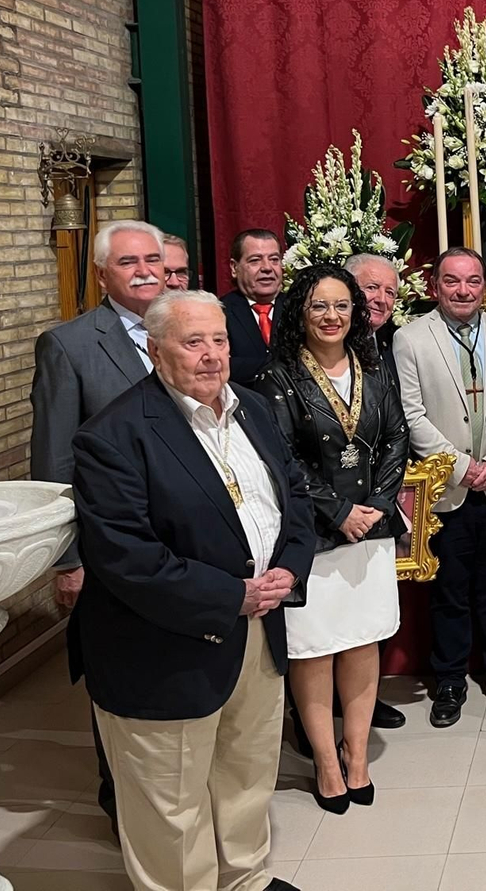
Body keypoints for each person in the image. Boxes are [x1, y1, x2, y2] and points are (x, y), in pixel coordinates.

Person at [71, 290, 314, 891]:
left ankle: (244, 880)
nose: (211, 356)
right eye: (193, 342)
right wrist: (232, 595)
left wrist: (290, 566)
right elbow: (126, 557)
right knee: (171, 805)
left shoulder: (254, 409)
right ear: (155, 351)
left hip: (258, 631)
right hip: (165, 649)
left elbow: (295, 498)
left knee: (245, 773)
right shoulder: (113, 435)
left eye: (220, 340)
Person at [252, 265, 409, 814]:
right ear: (301, 310)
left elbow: (396, 438)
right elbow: (284, 459)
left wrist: (378, 507)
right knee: (315, 650)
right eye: (320, 305)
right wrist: (338, 510)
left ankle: (357, 754)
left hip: (371, 528)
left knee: (363, 642)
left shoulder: (374, 365)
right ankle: (324, 760)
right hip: (313, 536)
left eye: (343, 305)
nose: (332, 316)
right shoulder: (279, 379)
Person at [30, 218, 167, 831]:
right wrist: (67, 558)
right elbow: (54, 460)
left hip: (190, 542)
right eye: (128, 262)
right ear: (102, 272)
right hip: (112, 544)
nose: (144, 271)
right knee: (119, 674)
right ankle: (123, 800)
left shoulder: (188, 328)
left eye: (153, 260)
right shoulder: (70, 345)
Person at [393, 248, 486, 726]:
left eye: (472, 281)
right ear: (435, 287)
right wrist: (462, 465)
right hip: (446, 487)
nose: (463, 291)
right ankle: (448, 679)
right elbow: (412, 415)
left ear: (485, 285)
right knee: (449, 590)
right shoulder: (410, 339)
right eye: (452, 281)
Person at [221, 228, 285, 385]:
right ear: (234, 268)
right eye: (255, 260)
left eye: (274, 259)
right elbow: (224, 366)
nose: (267, 268)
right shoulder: (220, 311)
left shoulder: (300, 309)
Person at [344, 252, 401, 377]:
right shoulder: (331, 343)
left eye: (390, 293)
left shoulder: (397, 343)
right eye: (372, 287)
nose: (382, 299)